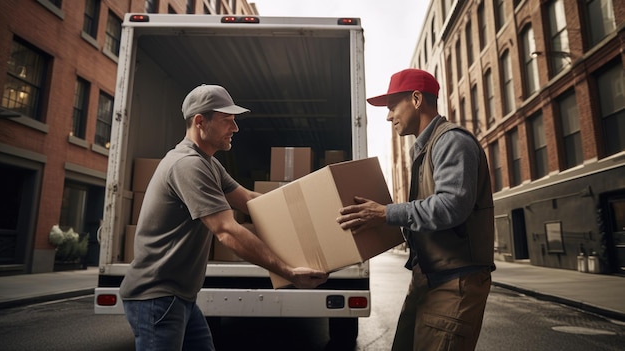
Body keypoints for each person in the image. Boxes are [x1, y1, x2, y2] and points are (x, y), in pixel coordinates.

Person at [120, 84, 328, 351]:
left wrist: (315, 207)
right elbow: (226, 231)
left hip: (179, 296)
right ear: (199, 122)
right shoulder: (188, 165)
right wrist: (287, 272)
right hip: (157, 297)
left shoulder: (208, 163)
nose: (236, 128)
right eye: (227, 120)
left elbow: (251, 200)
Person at [336, 69, 495, 351]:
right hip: (428, 279)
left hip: (454, 283)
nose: (388, 116)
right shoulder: (423, 149)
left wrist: (385, 213)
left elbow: (452, 206)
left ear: (417, 99)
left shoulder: (452, 141)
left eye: (392, 106)